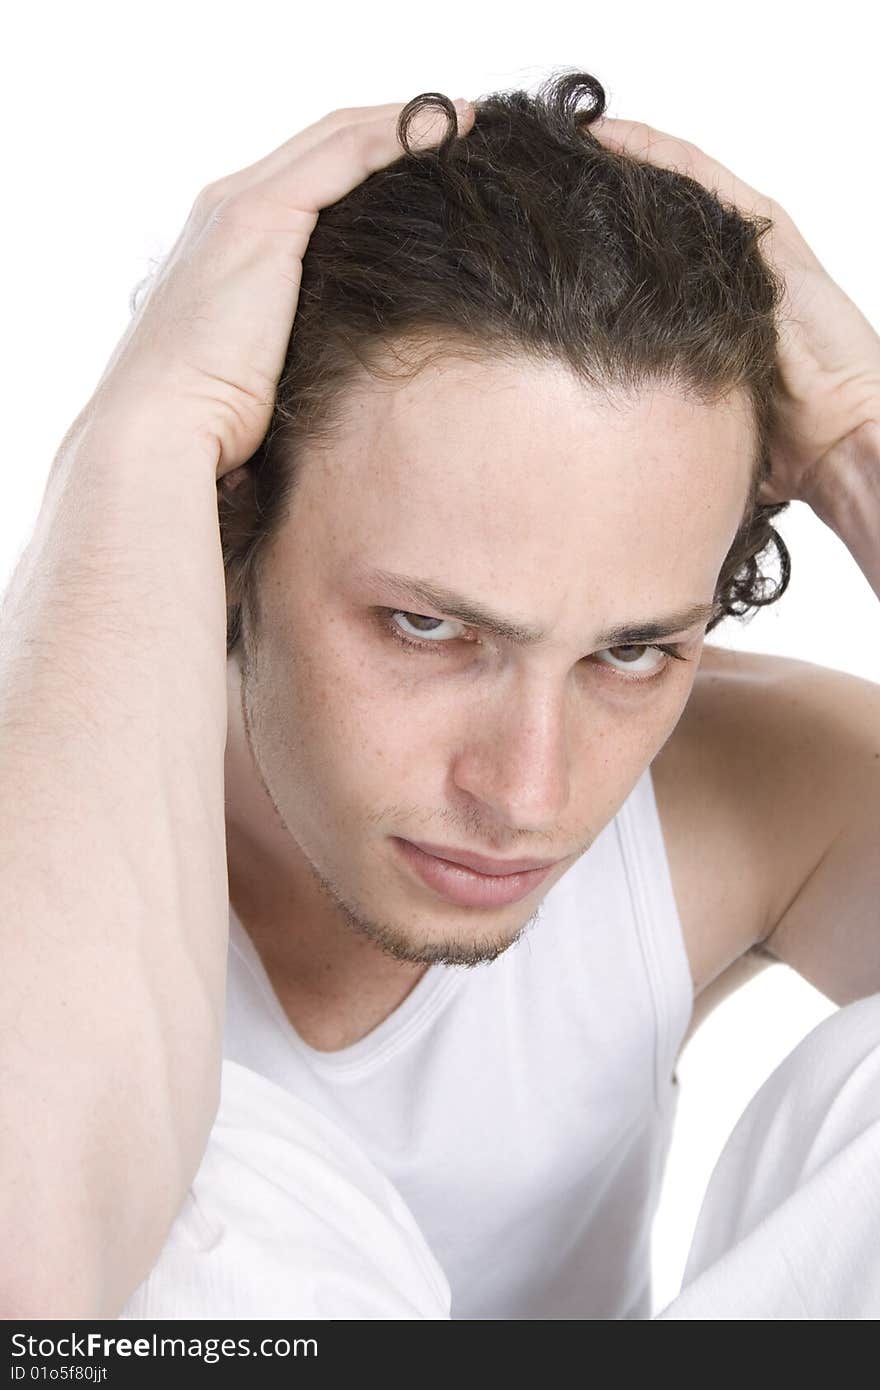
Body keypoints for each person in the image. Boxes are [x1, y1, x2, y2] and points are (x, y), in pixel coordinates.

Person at [1, 70, 878, 1319]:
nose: (526, 791)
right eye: (425, 627)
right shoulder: (37, 787)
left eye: (630, 653)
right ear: (233, 518)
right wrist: (134, 445)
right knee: (206, 1199)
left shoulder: (742, 792)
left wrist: (856, 436)